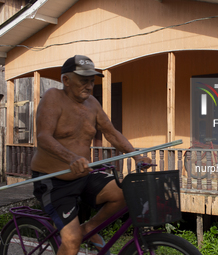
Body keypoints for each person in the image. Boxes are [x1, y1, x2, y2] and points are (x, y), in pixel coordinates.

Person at [31, 55, 151, 255]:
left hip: (83, 175)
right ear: (66, 80)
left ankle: (88, 228)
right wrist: (71, 158)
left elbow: (111, 133)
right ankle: (78, 234)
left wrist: (136, 156)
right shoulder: (53, 97)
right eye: (83, 80)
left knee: (124, 193)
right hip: (53, 181)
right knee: (71, 241)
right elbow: (43, 137)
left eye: (91, 80)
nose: (89, 85)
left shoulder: (93, 104)